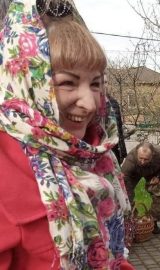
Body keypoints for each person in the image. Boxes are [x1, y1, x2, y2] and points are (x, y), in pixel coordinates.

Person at [0, 0, 133, 269]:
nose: (90, 103)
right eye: (67, 83)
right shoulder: (6, 166)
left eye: (95, 83)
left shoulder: (96, 155)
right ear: (26, 82)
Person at [121, 142, 160, 233]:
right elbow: (124, 180)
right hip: (134, 173)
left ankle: (154, 221)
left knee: (158, 194)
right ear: (137, 153)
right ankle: (133, 221)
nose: (142, 162)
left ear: (152, 155)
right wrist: (128, 196)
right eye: (140, 158)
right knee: (126, 196)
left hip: (153, 172)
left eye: (146, 159)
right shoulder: (129, 162)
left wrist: (159, 176)